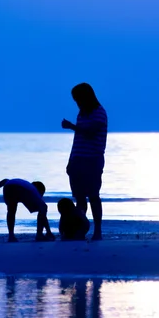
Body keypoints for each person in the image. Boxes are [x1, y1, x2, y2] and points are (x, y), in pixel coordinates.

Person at [62, 83, 108, 240]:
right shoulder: (81, 113)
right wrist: (70, 160)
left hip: (92, 160)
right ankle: (79, 230)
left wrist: (71, 126)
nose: (77, 102)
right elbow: (78, 140)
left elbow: (90, 133)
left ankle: (98, 231)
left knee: (94, 196)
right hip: (78, 159)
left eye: (78, 99)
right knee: (79, 198)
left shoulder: (99, 112)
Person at [0, 178, 55, 242]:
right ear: (39, 191)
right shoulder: (33, 190)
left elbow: (4, 181)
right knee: (43, 207)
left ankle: (11, 236)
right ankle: (39, 234)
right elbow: (43, 208)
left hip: (8, 187)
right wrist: (48, 231)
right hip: (21, 190)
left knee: (11, 211)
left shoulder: (25, 184)